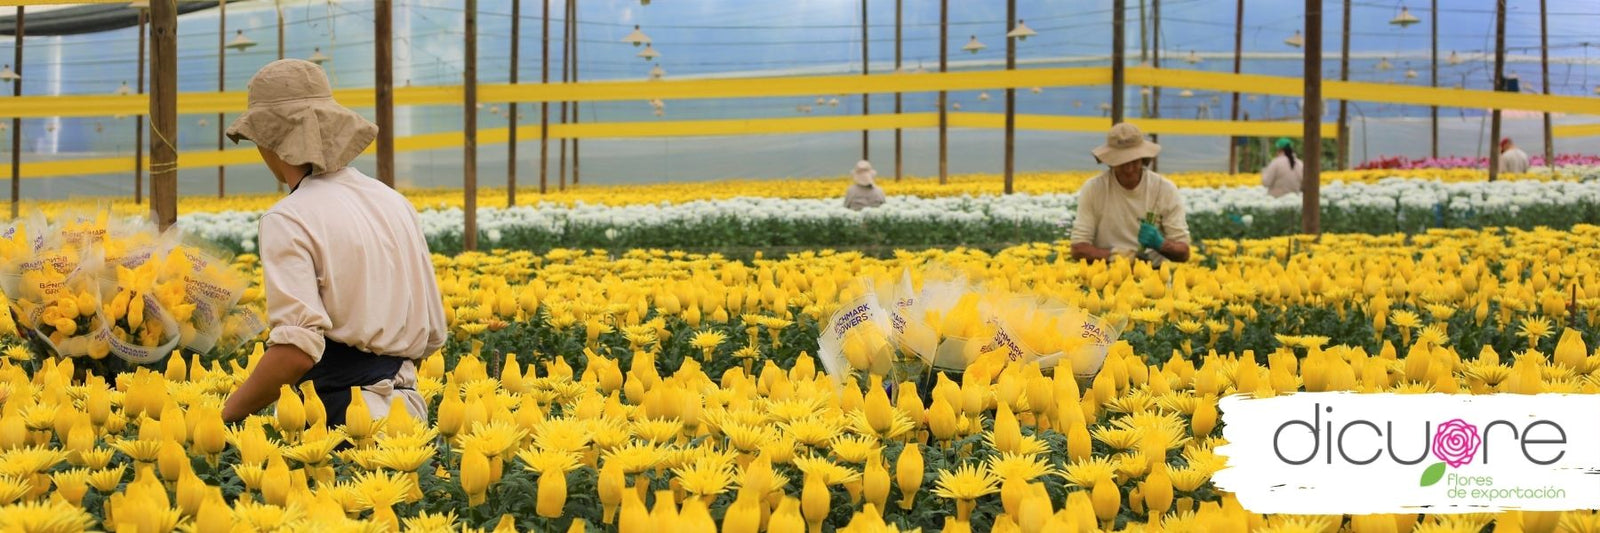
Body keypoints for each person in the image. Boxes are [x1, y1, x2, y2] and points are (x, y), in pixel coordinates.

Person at [221, 59, 446, 426]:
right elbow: (433, 335)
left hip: (336, 421)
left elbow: (296, 352)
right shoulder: (394, 202)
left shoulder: (288, 218)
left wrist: (224, 416)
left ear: (267, 139)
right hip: (407, 417)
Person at [1070, 123, 1191, 263]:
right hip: (1106, 270)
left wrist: (1161, 244)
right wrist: (1115, 256)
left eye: (1134, 161)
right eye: (1121, 162)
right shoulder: (1094, 189)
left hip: (1152, 273)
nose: (1129, 169)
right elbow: (1078, 249)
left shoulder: (1163, 189)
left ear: (1143, 158)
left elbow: (1183, 253)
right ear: (1110, 161)